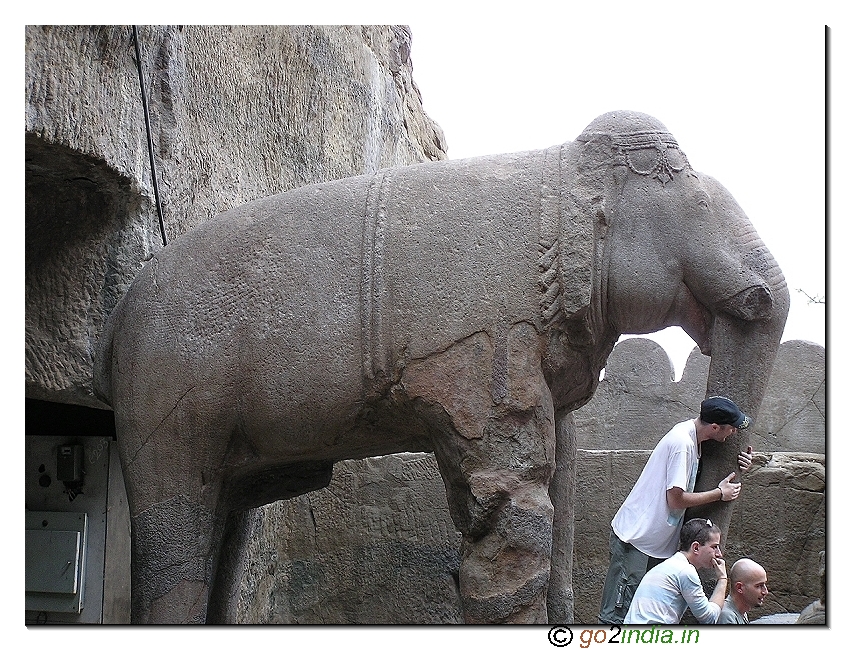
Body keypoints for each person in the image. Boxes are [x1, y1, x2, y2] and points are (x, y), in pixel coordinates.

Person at [598, 396, 753, 624]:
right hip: (636, 540)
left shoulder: (695, 440)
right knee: (616, 617)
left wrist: (741, 462)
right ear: (714, 427)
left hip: (656, 546)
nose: (733, 433)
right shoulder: (682, 443)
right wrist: (720, 493)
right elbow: (676, 500)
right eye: (730, 429)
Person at [623, 518, 728, 624]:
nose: (719, 554)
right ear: (695, 547)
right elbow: (709, 618)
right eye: (714, 547)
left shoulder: (666, 566)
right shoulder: (685, 571)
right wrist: (723, 579)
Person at [717, 558, 769, 623]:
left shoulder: (741, 612)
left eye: (764, 584)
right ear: (739, 588)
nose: (765, 592)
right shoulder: (726, 617)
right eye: (758, 586)